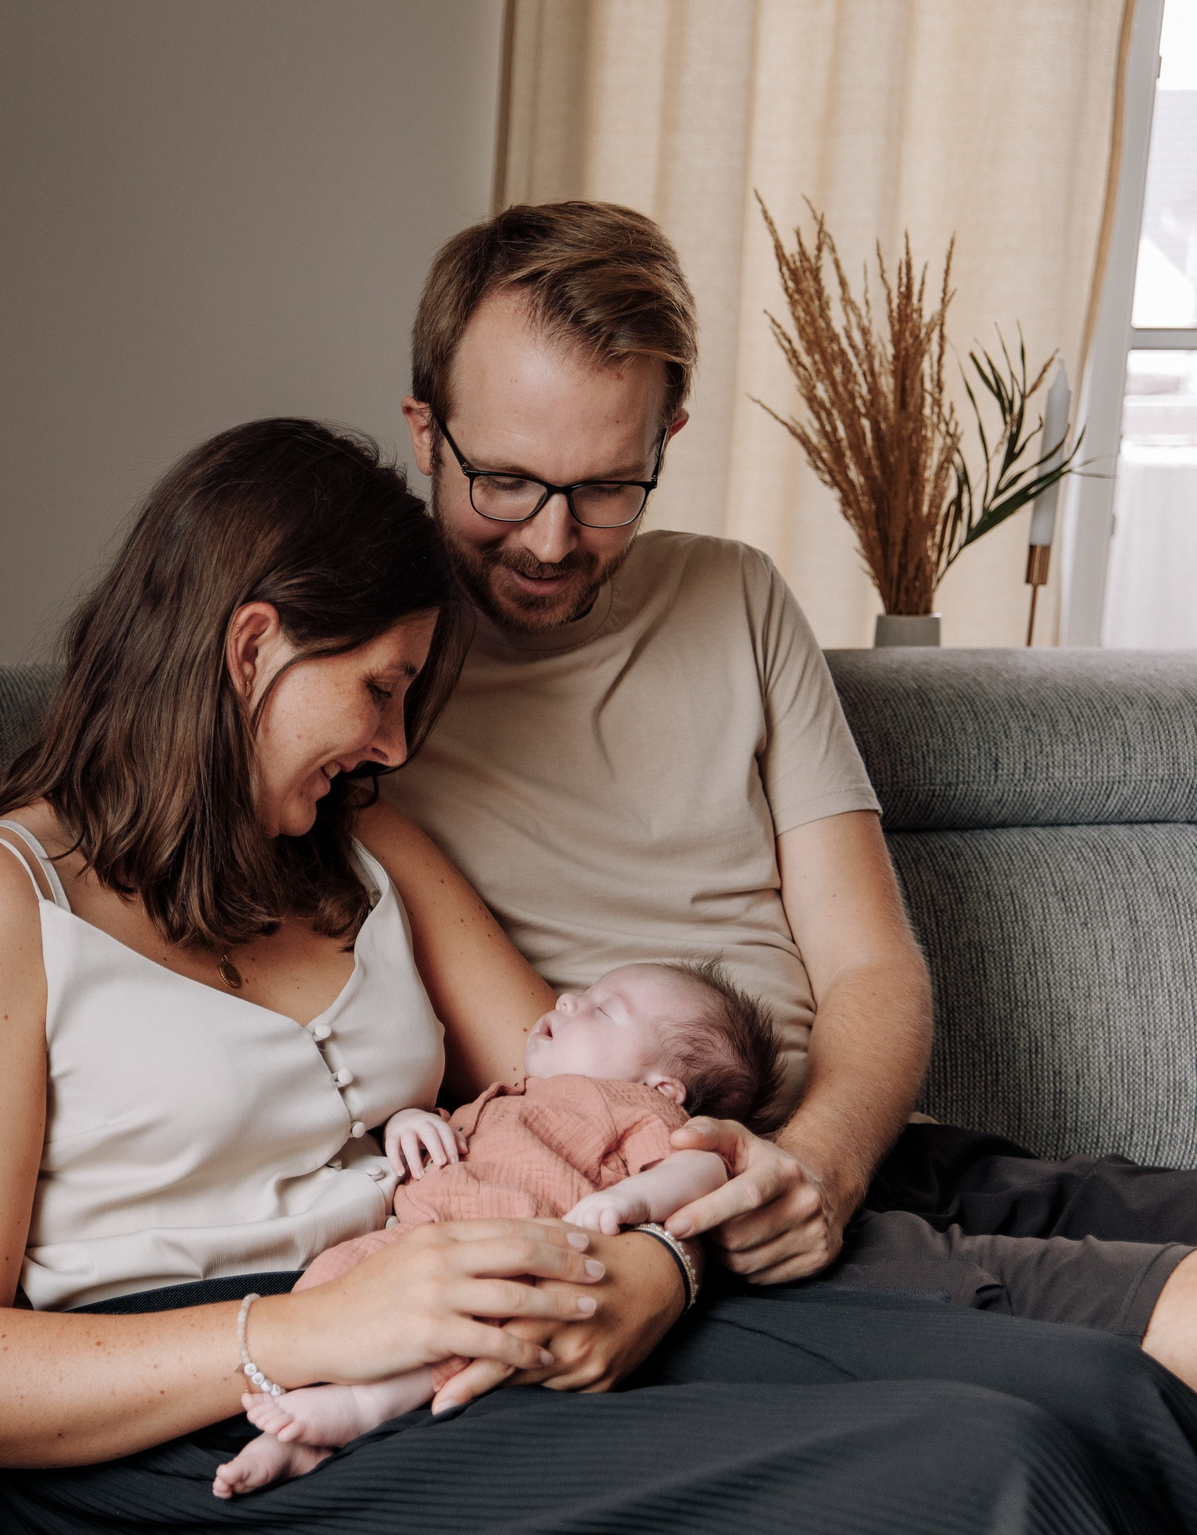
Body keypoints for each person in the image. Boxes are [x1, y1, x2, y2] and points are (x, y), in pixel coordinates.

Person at [0, 415, 1197, 1535]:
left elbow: (582, 1101)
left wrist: (661, 1256)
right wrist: (314, 1327)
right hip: (202, 1434)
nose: (391, 744)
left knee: (1101, 1401)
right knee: (994, 1471)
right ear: (252, 645)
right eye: (376, 689)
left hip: (460, 1295)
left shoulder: (371, 861)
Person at [381, 201, 1197, 1374]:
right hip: (650, 1199)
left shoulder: (734, 598)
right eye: (503, 481)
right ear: (423, 430)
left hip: (861, 1153)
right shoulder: (365, 672)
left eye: (610, 486)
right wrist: (728, 1195)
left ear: (668, 436)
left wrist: (823, 1160)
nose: (552, 541)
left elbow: (868, 962)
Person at [211, 960, 766, 1499]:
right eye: (584, 992)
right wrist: (410, 1120)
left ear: (663, 1088)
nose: (568, 1000)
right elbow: (446, 1143)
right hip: (409, 1243)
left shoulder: (632, 1108)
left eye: (603, 1009)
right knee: (330, 1291)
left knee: (472, 1327)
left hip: (509, 1252)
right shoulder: (509, 1096)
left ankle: (361, 1410)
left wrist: (631, 1198)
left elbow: (704, 1166)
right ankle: (301, 1438)